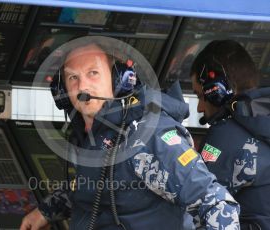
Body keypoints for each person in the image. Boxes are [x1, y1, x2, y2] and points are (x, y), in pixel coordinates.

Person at [20, 37, 240, 230]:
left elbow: (217, 203)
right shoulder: (96, 134)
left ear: (120, 81)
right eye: (72, 78)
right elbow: (100, 186)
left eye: (93, 73)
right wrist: (47, 211)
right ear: (61, 90)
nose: (82, 86)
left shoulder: (148, 134)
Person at [190, 39, 270, 229]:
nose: (200, 107)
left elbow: (194, 205)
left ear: (217, 89)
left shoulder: (225, 135)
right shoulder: (261, 120)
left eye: (201, 96)